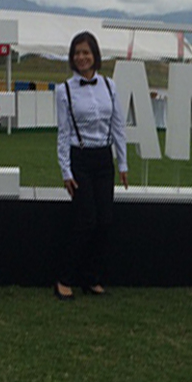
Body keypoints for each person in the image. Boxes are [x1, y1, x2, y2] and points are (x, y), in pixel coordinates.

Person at [55, 31, 128, 300]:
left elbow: (118, 125)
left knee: (104, 221)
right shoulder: (64, 90)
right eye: (77, 53)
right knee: (86, 220)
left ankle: (92, 279)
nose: (81, 57)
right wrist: (66, 171)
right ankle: (64, 279)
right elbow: (63, 133)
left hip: (103, 158)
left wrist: (123, 162)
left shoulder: (109, 86)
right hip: (80, 157)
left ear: (95, 55)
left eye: (86, 52)